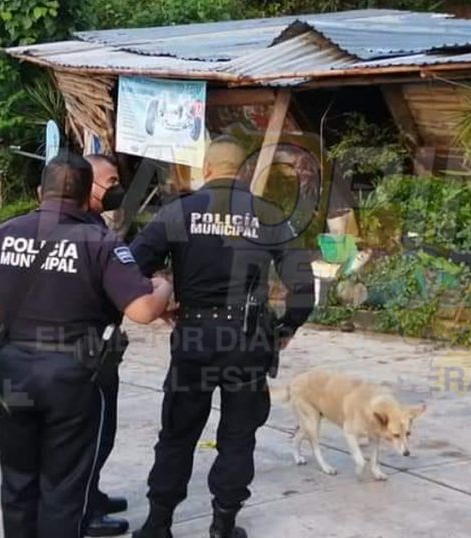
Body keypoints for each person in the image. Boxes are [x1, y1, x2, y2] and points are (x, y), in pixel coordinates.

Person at [0, 154, 173, 538]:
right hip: (73, 373)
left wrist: (26, 317)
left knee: (17, 479)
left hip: (14, 367)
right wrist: (163, 286)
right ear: (86, 195)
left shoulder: (6, 233)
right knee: (64, 487)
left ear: (38, 192)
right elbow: (144, 310)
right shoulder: (101, 242)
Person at [129, 137, 316, 538]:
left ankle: (158, 524)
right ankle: (223, 524)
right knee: (238, 435)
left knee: (177, 433)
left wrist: (161, 300)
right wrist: (286, 327)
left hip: (194, 336)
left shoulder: (178, 211)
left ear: (207, 170)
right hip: (248, 341)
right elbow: (303, 285)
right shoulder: (269, 214)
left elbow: (131, 265)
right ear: (244, 173)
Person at [79, 153, 131, 537]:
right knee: (93, 433)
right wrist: (157, 293)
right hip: (88, 354)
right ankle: (83, 513)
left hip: (93, 348)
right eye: (109, 181)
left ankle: (90, 494)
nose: (116, 188)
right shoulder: (93, 236)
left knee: (100, 431)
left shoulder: (93, 226)